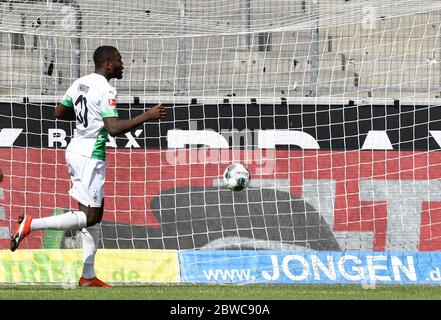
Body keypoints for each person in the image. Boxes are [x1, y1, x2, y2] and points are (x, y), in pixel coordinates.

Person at [10, 45, 166, 288]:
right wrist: (146, 116)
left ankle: (88, 275)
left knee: (93, 218)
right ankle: (32, 224)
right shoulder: (106, 89)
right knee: (90, 217)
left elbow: (59, 112)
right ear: (108, 65)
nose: (123, 64)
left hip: (76, 149)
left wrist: (88, 118)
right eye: (119, 60)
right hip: (90, 155)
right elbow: (113, 128)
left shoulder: (80, 82)